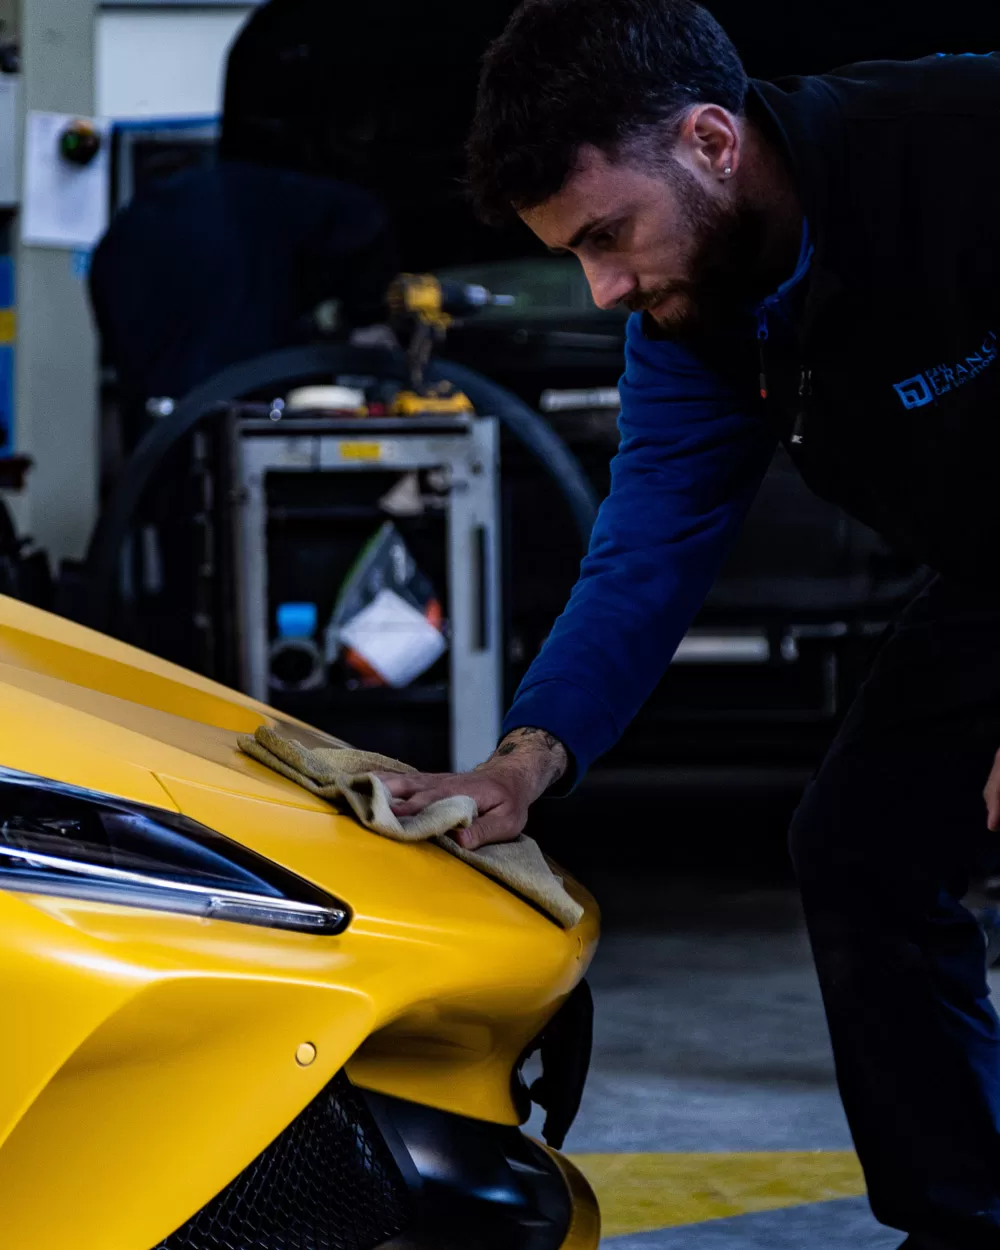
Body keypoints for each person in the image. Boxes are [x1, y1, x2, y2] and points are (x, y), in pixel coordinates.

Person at [375, 2, 1000, 1246]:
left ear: (711, 141)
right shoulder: (701, 318)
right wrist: (529, 754)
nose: (607, 285)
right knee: (862, 843)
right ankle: (963, 1221)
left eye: (610, 234)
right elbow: (649, 544)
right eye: (575, 255)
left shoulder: (962, 138)